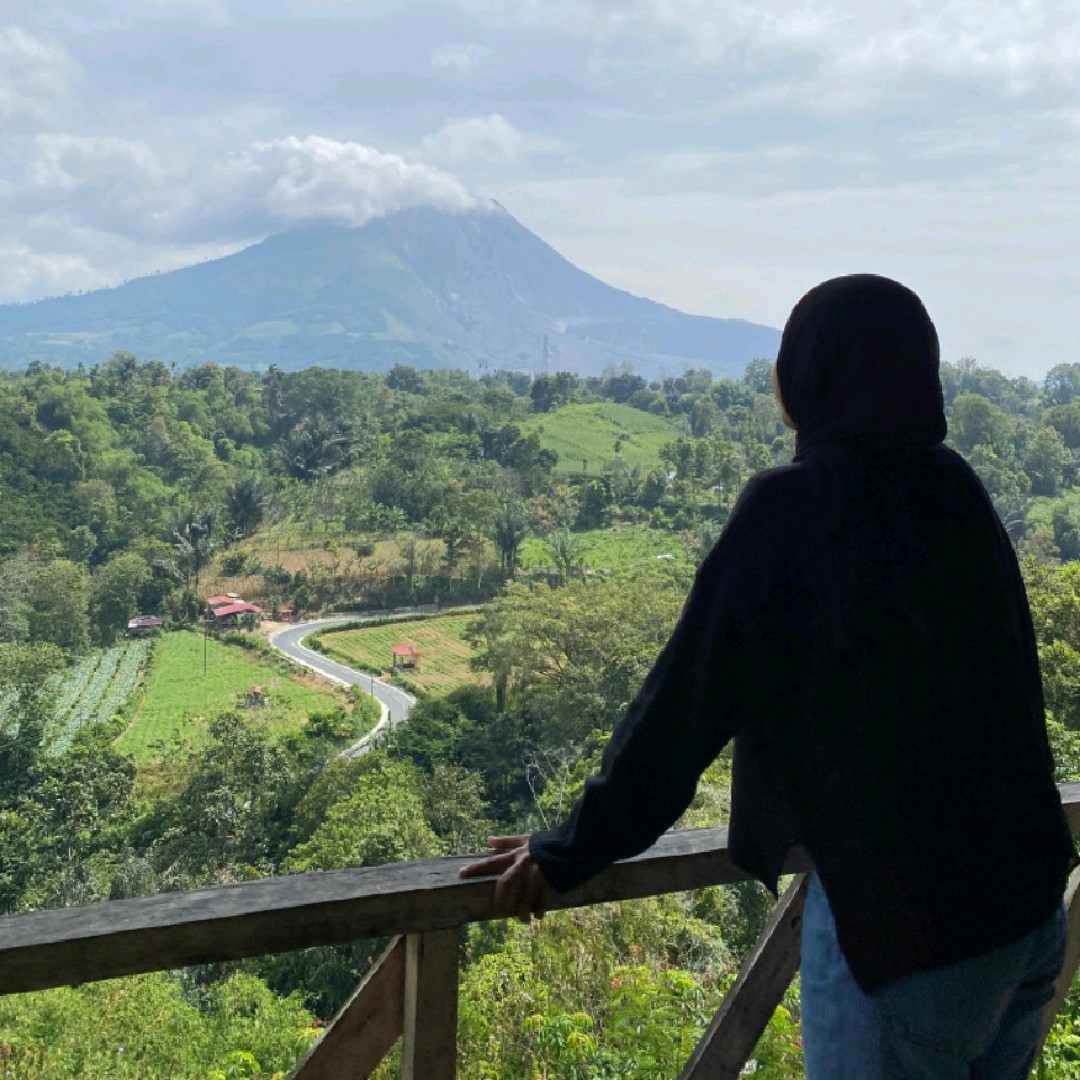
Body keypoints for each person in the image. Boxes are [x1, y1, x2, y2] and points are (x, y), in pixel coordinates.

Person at [460, 274, 1077, 1078]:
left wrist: (569, 850)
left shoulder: (792, 508)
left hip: (909, 931)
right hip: (1028, 912)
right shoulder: (954, 486)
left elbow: (681, 710)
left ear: (811, 373)